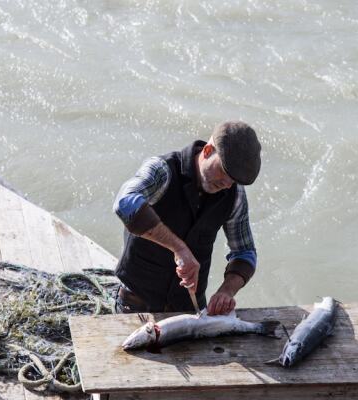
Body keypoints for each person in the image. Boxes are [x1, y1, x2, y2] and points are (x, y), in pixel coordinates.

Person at [112, 121, 261, 315]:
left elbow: (245, 253)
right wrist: (179, 248)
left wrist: (226, 291)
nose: (227, 184)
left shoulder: (235, 195)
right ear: (207, 151)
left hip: (190, 309)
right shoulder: (163, 170)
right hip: (136, 303)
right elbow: (124, 203)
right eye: (225, 172)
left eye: (234, 180)